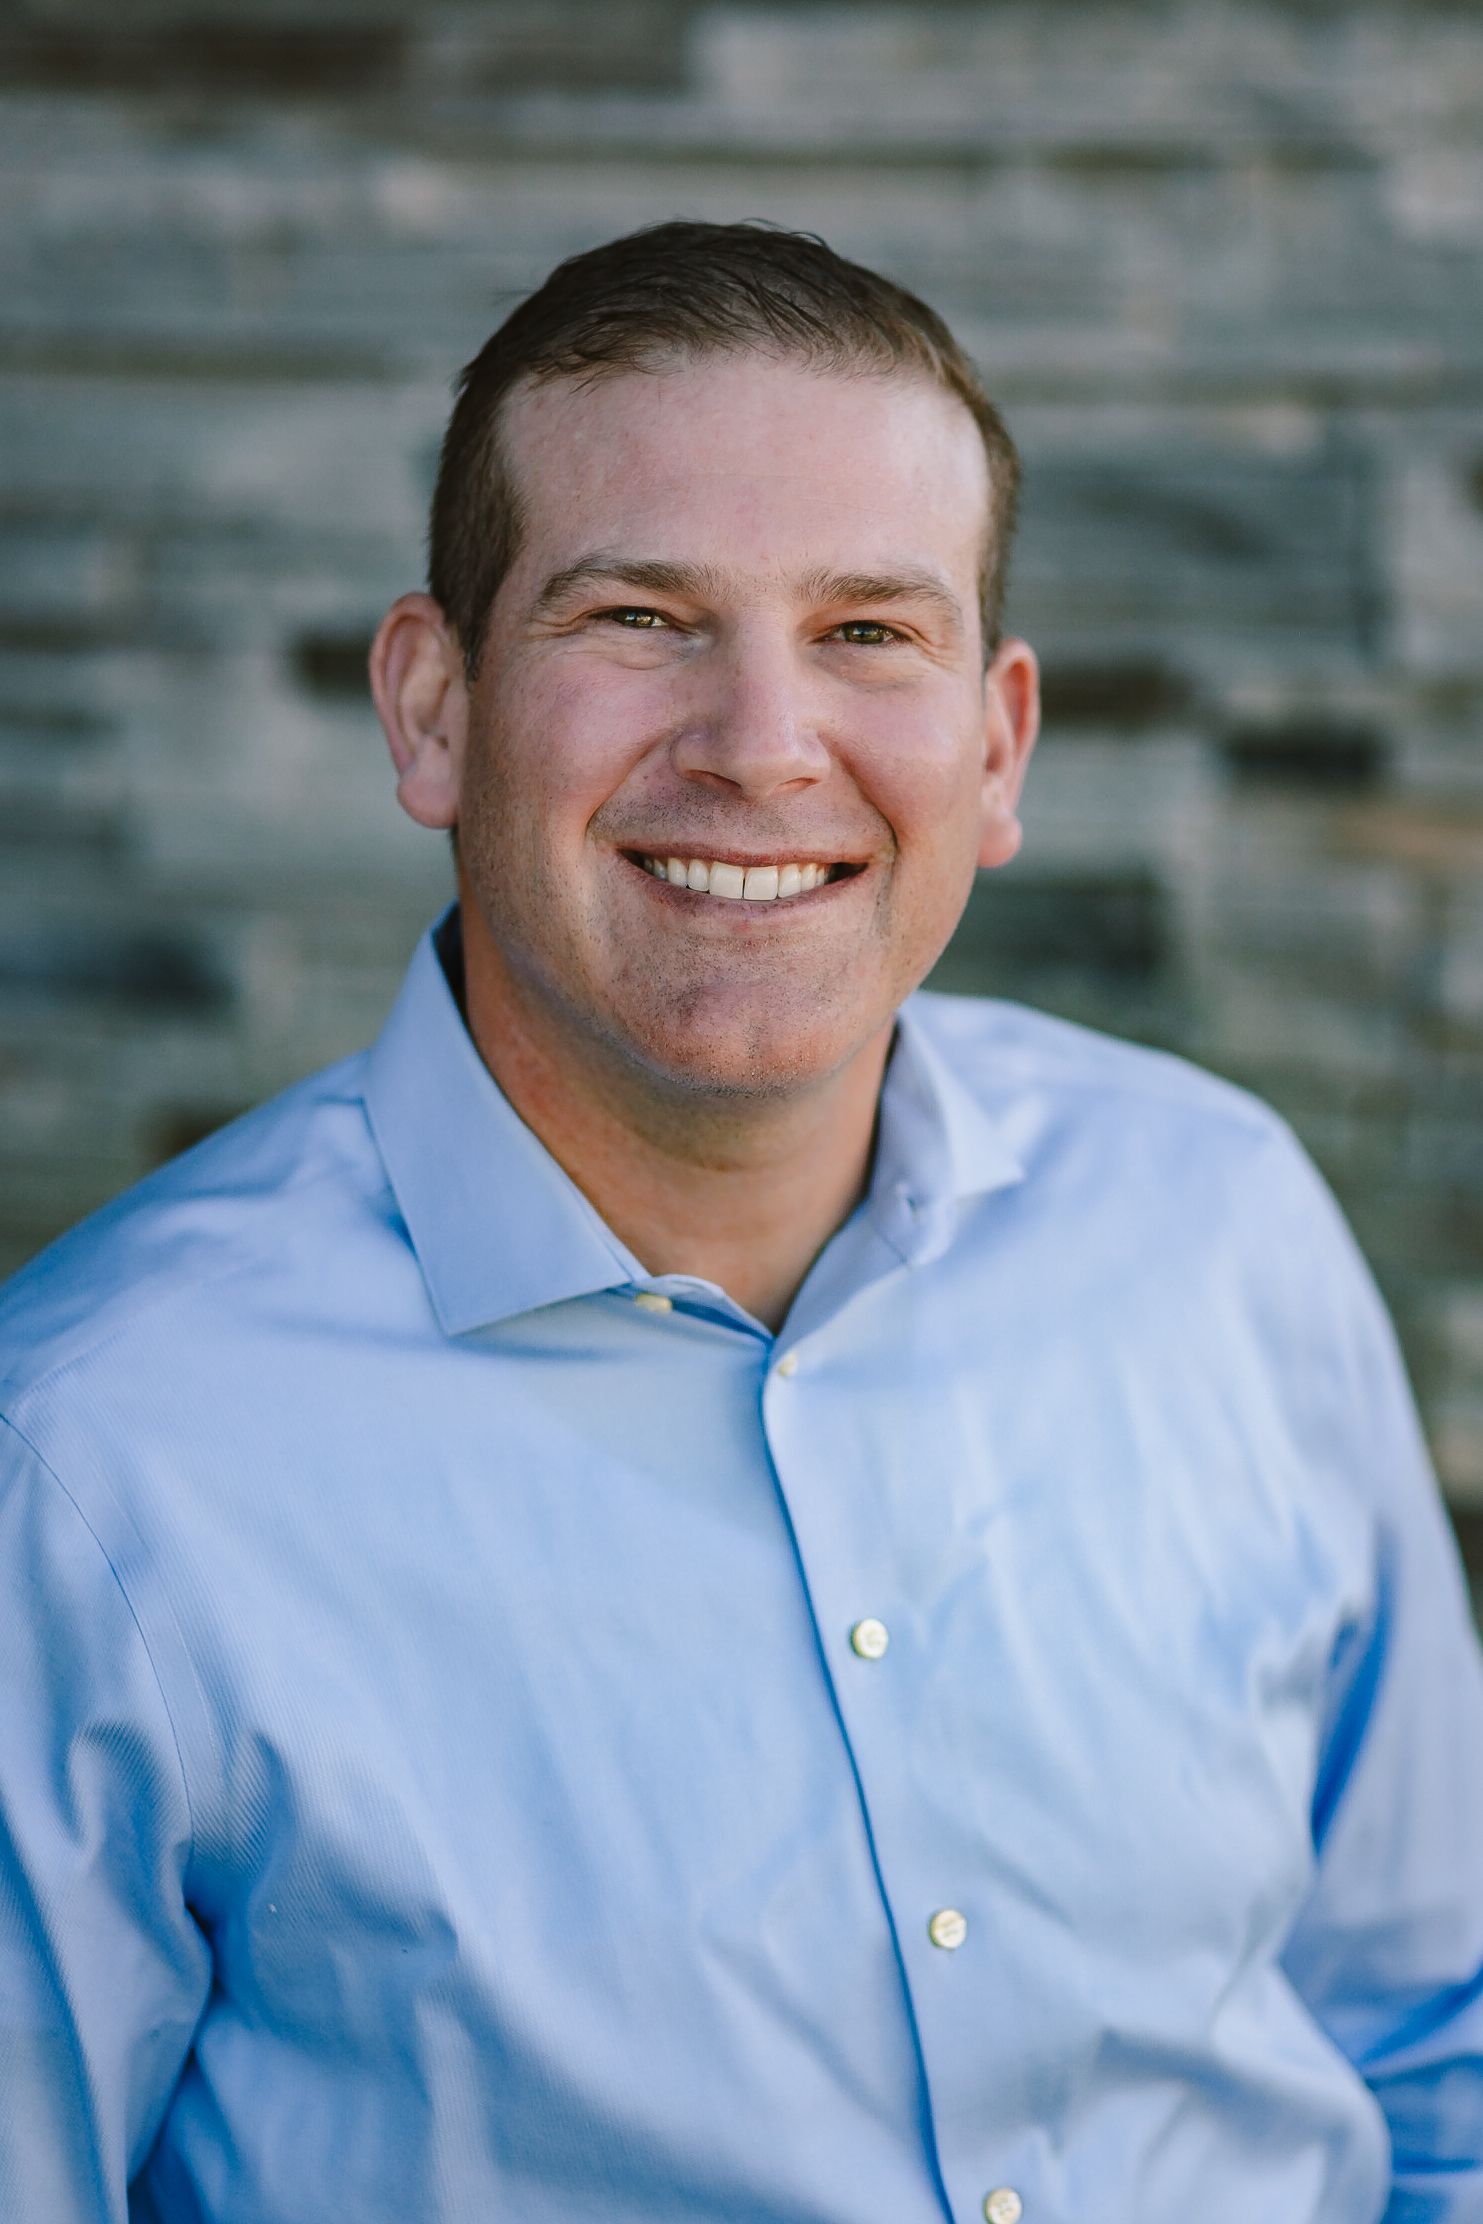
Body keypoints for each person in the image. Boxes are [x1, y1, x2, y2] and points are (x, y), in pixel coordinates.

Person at [1, 220, 1479, 2224]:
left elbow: (1431, 2035)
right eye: (638, 615)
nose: (762, 740)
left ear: (995, 739)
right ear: (431, 711)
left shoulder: (1216, 1222)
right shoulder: (89, 1460)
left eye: (868, 630)